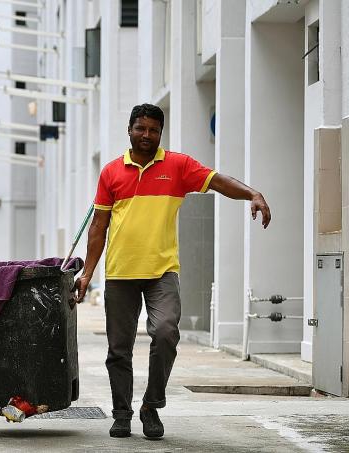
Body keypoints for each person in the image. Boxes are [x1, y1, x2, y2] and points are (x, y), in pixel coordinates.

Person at [74, 104, 271, 439]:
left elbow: (217, 181)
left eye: (153, 130)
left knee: (166, 333)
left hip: (162, 271)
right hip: (121, 272)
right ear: (129, 130)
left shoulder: (178, 166)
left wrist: (252, 193)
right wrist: (88, 273)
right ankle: (121, 413)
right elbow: (98, 226)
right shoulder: (111, 172)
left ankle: (151, 406)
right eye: (140, 128)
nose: (146, 135)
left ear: (160, 133)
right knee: (118, 349)